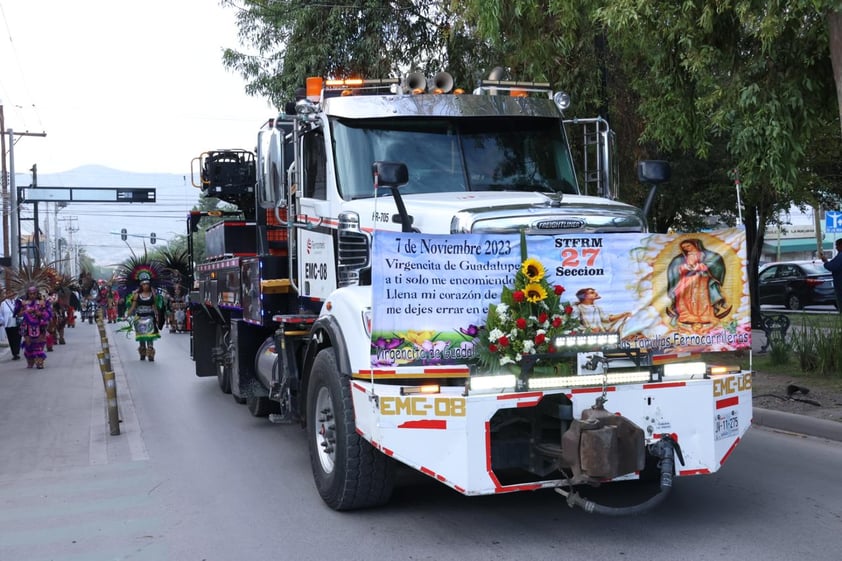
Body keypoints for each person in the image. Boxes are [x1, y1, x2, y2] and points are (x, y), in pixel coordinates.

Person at [666, 238, 731, 330]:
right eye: (684, 247)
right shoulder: (683, 257)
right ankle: (687, 315)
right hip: (687, 281)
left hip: (701, 281)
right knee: (686, 298)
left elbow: (713, 265)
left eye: (688, 246)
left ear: (695, 245)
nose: (687, 249)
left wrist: (699, 267)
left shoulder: (705, 255)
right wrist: (684, 267)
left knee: (701, 298)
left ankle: (705, 315)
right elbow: (677, 269)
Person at [125, 273, 162, 361]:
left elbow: (154, 307)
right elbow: (133, 307)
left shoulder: (152, 295)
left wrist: (157, 316)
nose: (146, 286)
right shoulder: (137, 295)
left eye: (147, 284)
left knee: (150, 336)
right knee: (142, 338)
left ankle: (150, 353)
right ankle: (142, 352)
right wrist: (127, 315)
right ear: (141, 285)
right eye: (144, 284)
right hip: (139, 319)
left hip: (150, 318)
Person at [20, 285, 52, 369]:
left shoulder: (41, 302)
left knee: (39, 344)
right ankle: (30, 361)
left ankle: (39, 362)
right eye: (30, 294)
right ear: (28, 294)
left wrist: (40, 313)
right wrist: (25, 311)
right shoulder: (24, 303)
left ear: (37, 293)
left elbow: (48, 314)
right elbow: (18, 314)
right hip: (27, 327)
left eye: (34, 293)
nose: (32, 295)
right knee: (28, 344)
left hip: (39, 326)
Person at [821, 238, 842, 312]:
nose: (836, 248)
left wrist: (825, 262)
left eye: (837, 245)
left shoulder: (840, 256)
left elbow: (833, 266)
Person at [0, 292, 22, 360]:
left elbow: (21, 311)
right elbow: (1, 314)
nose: (12, 296)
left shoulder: (17, 302)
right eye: (10, 294)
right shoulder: (3, 304)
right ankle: (14, 353)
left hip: (17, 323)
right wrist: (2, 321)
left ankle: (17, 352)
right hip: (8, 324)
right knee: (11, 339)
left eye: (13, 294)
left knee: (18, 338)